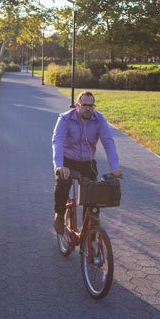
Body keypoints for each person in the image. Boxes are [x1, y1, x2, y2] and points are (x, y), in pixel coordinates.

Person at [52, 90, 123, 234]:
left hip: (87, 162)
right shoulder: (65, 119)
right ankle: (59, 215)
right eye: (85, 105)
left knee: (93, 195)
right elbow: (57, 141)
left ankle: (89, 229)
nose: (88, 109)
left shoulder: (99, 119)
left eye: (91, 106)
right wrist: (59, 165)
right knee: (63, 184)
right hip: (67, 161)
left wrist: (115, 167)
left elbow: (108, 143)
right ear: (77, 106)